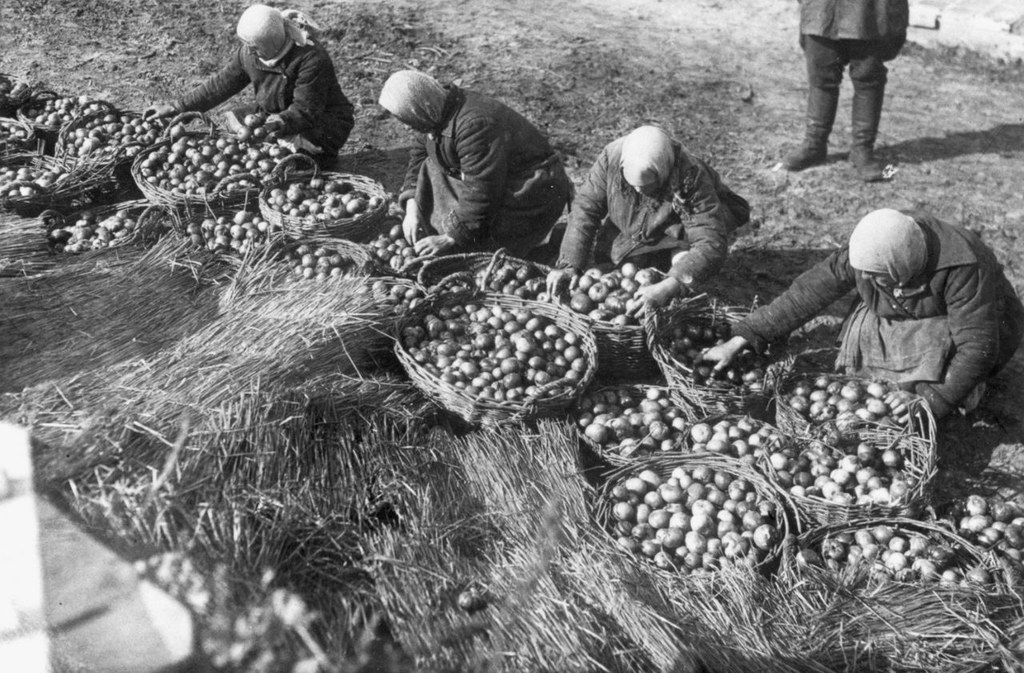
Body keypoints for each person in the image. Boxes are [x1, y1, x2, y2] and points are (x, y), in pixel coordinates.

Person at [702, 208, 1024, 420]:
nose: (865, 280)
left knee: (950, 368)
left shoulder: (961, 265)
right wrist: (744, 336)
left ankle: (962, 386)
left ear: (903, 265)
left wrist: (932, 399)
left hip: (974, 324)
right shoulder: (874, 248)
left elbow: (978, 342)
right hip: (907, 307)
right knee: (864, 329)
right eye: (864, 273)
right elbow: (806, 294)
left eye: (876, 275)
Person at [546, 125, 750, 312]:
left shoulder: (690, 176)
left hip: (686, 220)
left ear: (662, 172)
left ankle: (676, 254)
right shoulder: (612, 158)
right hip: (639, 220)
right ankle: (654, 251)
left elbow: (710, 241)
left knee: (680, 271)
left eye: (645, 187)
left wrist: (670, 285)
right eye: (632, 185)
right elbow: (585, 208)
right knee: (615, 261)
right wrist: (569, 264)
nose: (637, 190)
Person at [378, 70, 572, 260]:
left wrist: (450, 237)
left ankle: (547, 243)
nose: (405, 126)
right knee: (430, 166)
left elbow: (483, 190)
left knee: (478, 256)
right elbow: (419, 156)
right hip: (496, 179)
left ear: (419, 107)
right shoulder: (435, 108)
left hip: (531, 190)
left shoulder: (474, 125)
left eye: (405, 119)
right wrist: (412, 208)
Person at [144, 4, 354, 165]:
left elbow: (306, 109)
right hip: (275, 111)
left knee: (294, 156)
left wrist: (274, 125)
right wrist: (177, 107)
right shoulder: (251, 53)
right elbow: (221, 84)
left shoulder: (310, 58)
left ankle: (317, 161)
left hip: (319, 120)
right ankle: (277, 147)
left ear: (271, 43)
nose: (249, 51)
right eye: (246, 45)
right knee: (233, 118)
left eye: (253, 46)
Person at [781, 0, 909, 182]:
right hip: (822, 10)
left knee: (868, 77)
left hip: (869, 11)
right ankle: (814, 144)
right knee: (821, 75)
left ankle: (862, 150)